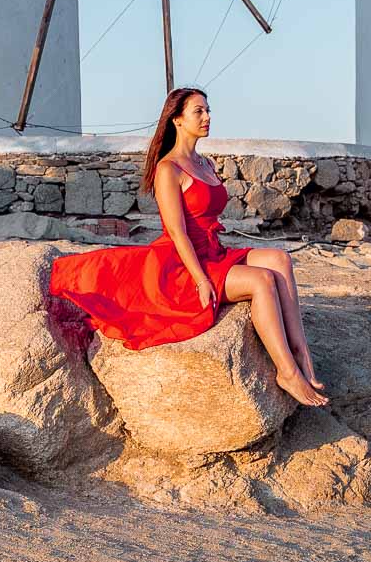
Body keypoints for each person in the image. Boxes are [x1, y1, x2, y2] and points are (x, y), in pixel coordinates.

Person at [50, 86, 326, 407]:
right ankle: (287, 372)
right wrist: (200, 280)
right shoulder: (168, 169)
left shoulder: (204, 163)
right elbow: (178, 232)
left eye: (208, 110)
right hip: (183, 264)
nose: (207, 117)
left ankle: (301, 353)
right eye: (199, 111)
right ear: (177, 120)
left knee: (279, 259)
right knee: (262, 281)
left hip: (214, 251)